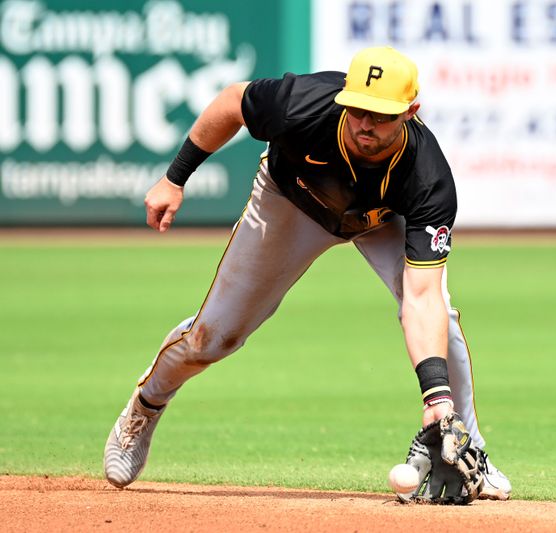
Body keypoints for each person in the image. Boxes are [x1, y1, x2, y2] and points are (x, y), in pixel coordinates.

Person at [102, 46, 511, 501]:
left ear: (411, 112)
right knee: (213, 338)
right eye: (357, 109)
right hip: (289, 200)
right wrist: (174, 179)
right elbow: (232, 103)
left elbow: (421, 298)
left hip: (378, 220)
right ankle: (147, 404)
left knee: (443, 323)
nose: (364, 124)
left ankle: (466, 443)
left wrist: (436, 398)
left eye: (380, 115)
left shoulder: (428, 178)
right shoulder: (303, 104)